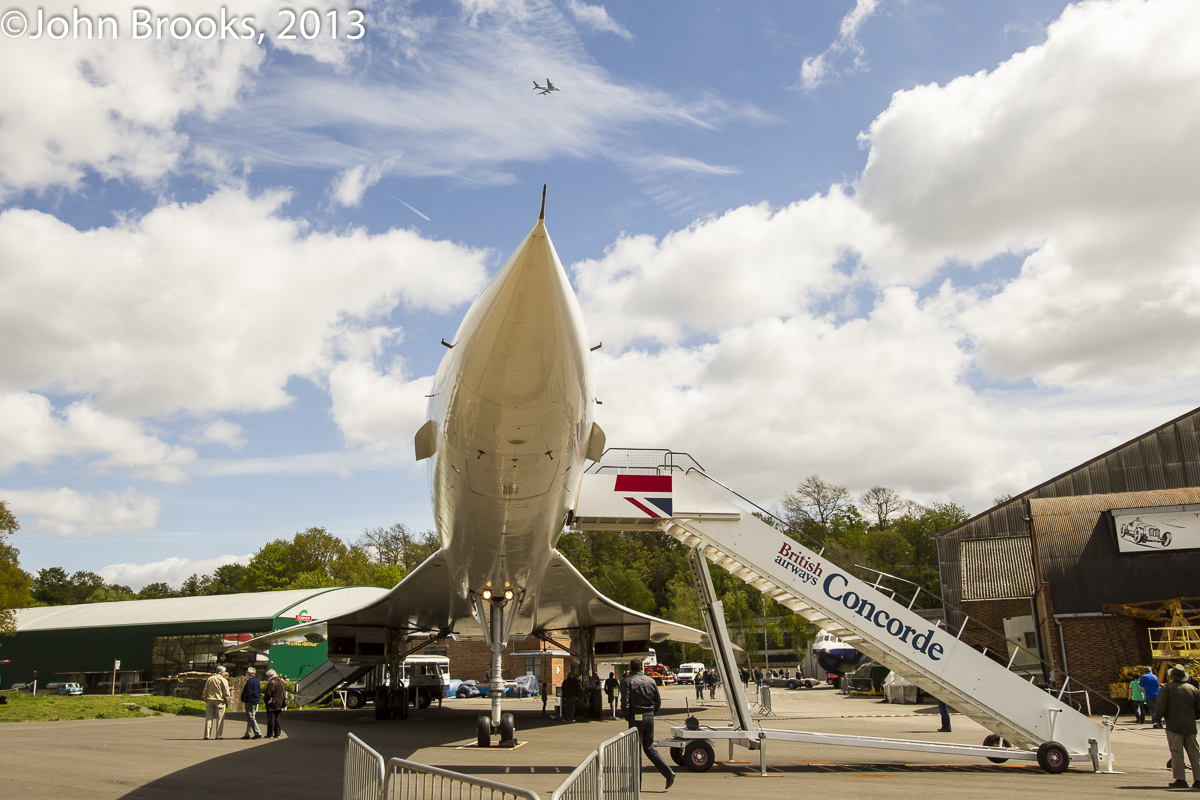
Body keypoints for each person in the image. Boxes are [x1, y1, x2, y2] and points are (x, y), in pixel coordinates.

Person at [620, 659, 675, 790]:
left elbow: (624, 703)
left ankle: (636, 784)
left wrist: (628, 717)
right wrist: (652, 713)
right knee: (649, 748)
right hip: (649, 715)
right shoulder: (650, 681)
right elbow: (658, 700)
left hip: (636, 716)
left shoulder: (628, 682)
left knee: (636, 750)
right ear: (642, 667)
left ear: (630, 668)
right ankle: (668, 773)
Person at [1153, 666, 1200, 789]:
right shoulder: (1193, 689)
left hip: (1174, 725)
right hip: (1190, 725)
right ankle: (1198, 779)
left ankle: (1180, 779)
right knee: (1195, 753)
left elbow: (1161, 705)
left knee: (1177, 752)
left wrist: (1157, 719)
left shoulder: (1167, 688)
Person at [203, 666, 231, 740]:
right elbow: (226, 692)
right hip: (219, 700)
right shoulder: (223, 680)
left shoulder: (209, 679)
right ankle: (218, 735)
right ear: (222, 672)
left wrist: (205, 698)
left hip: (210, 699)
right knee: (220, 718)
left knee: (208, 718)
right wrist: (227, 700)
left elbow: (205, 690)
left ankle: (207, 735)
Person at [240, 667, 262, 740]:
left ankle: (257, 732)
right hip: (255, 700)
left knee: (251, 717)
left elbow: (248, 692)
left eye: (247, 672)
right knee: (250, 717)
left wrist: (245, 699)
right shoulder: (256, 681)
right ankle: (248, 733)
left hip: (250, 701)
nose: (245, 673)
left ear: (249, 673)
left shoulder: (250, 682)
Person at [264, 669, 287, 738]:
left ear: (270, 675)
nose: (267, 677)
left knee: (271, 719)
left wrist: (266, 700)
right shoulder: (280, 681)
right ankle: (277, 733)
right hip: (279, 702)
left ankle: (270, 734)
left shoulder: (271, 682)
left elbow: (268, 693)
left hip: (272, 703)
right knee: (277, 719)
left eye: (268, 676)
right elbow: (283, 692)